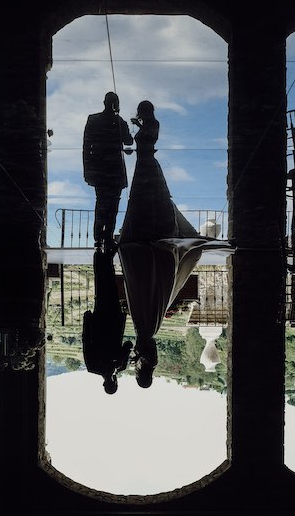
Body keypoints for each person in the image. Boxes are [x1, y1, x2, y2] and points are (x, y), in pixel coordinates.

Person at [117, 100, 233, 388]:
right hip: (144, 247)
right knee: (149, 184)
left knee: (148, 182)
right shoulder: (147, 340)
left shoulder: (149, 335)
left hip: (146, 166)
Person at [82, 92, 134, 250]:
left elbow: (86, 147)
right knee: (112, 204)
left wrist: (87, 168)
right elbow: (129, 141)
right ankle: (107, 236)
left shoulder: (94, 119)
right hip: (113, 168)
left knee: (102, 203)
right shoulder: (120, 122)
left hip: (100, 168)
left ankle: (99, 237)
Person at [81, 246, 132, 394]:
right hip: (102, 320)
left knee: (107, 288)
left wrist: (124, 356)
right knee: (106, 288)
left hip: (107, 320)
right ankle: (103, 257)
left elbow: (128, 344)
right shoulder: (94, 367)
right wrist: (87, 321)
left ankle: (103, 257)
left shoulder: (118, 366)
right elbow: (85, 341)